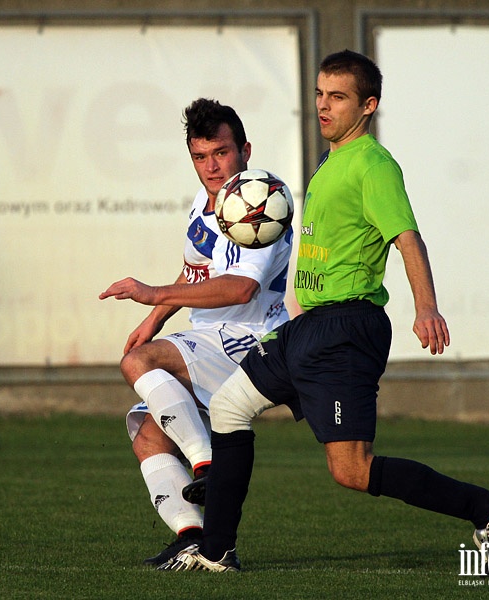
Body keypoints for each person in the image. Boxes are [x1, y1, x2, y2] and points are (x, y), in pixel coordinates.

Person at [159, 51, 489, 574]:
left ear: (368, 105)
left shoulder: (374, 166)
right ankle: (217, 551)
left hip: (346, 330)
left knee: (352, 470)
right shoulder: (332, 161)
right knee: (227, 408)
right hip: (305, 328)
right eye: (318, 94)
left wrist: (427, 309)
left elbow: (407, 238)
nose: (323, 106)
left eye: (337, 97)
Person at [99, 98, 294, 567]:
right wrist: (153, 320)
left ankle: (208, 463)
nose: (211, 166)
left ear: (244, 150)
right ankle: (193, 537)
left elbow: (242, 287)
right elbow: (196, 274)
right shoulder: (202, 204)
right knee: (148, 436)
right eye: (200, 157)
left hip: (248, 339)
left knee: (138, 364)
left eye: (221, 153)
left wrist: (150, 294)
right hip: (210, 337)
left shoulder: (261, 197)